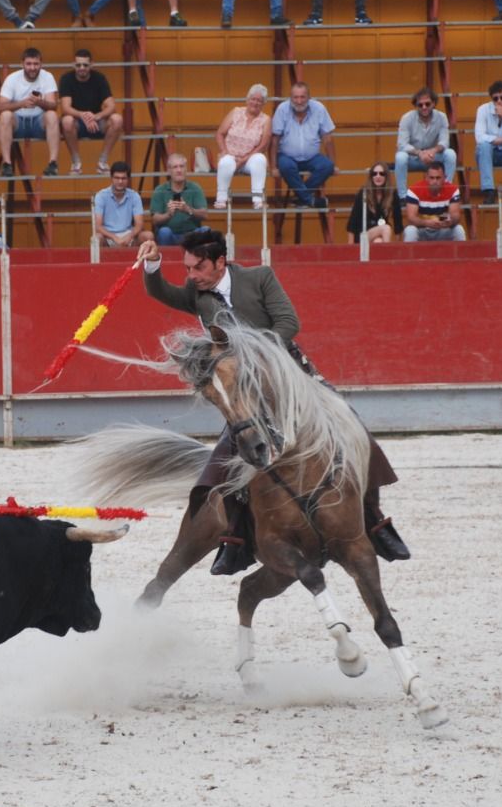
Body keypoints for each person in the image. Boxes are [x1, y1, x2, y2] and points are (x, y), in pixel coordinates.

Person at [135, 228, 410, 571]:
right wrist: (152, 264)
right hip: (245, 393)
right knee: (223, 463)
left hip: (290, 377)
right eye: (188, 268)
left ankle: (375, 522)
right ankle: (234, 538)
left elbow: (288, 323)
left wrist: (255, 357)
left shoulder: (259, 277)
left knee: (354, 431)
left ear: (220, 262)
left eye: (197, 268)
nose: (191, 276)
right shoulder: (197, 292)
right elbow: (162, 292)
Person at [0, 46, 61, 178]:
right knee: (5, 115)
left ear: (41, 64)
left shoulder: (47, 76)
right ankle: (7, 164)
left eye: (36, 64)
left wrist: (39, 102)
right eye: (29, 64)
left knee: (52, 115)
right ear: (22, 64)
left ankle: (53, 163)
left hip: (38, 121)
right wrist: (22, 103)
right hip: (18, 122)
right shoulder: (12, 78)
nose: (32, 67)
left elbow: (54, 106)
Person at [271, 81, 335, 209]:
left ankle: (302, 198)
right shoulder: (282, 109)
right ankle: (309, 200)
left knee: (327, 166)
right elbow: (274, 139)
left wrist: (334, 164)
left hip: (312, 157)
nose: (299, 101)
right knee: (285, 166)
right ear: (290, 98)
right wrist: (273, 167)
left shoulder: (319, 108)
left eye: (302, 97)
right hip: (287, 156)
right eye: (295, 97)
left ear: (309, 97)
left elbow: (327, 138)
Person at [58, 49, 123, 175]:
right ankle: (76, 163)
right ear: (73, 65)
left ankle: (102, 163)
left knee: (117, 119)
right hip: (77, 122)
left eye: (85, 65)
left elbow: (111, 106)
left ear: (91, 65)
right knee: (66, 120)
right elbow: (65, 108)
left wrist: (97, 116)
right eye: (78, 65)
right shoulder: (66, 78)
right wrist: (84, 116)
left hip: (97, 121)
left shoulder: (99, 78)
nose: (82, 68)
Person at [214, 84, 272, 209]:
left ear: (263, 104)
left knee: (260, 159)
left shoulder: (266, 119)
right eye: (253, 99)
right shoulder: (236, 112)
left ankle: (258, 200)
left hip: (249, 159)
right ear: (247, 100)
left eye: (259, 101)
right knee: (225, 162)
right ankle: (221, 199)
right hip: (231, 155)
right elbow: (220, 133)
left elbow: (263, 145)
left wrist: (244, 160)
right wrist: (224, 151)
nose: (255, 103)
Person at [393, 88, 456, 197]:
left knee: (450, 154)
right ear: (416, 105)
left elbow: (444, 142)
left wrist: (433, 151)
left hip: (433, 157)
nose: (424, 107)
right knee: (400, 157)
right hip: (413, 158)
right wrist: (420, 153)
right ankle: (402, 197)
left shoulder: (442, 117)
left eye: (427, 104)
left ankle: (445, 191)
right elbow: (402, 144)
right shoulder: (407, 118)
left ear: (434, 103)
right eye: (420, 105)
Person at [150, 153, 209, 246]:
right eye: (175, 167)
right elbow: (155, 220)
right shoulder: (160, 190)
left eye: (182, 166)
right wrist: (168, 214)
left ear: (186, 169)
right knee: (164, 232)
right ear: (169, 171)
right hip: (170, 235)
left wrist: (188, 209)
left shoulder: (195, 188)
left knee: (205, 230)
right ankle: (167, 260)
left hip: (192, 235)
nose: (179, 170)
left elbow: (205, 215)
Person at [402, 163, 466, 241]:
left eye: (438, 178)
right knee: (410, 231)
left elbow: (455, 216)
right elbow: (411, 218)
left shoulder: (453, 190)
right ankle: (409, 253)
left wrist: (449, 221)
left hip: (443, 228)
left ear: (444, 178)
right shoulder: (414, 190)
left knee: (459, 230)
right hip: (422, 229)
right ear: (426, 178)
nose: (435, 181)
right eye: (431, 178)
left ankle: (462, 253)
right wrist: (427, 223)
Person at [93, 162, 149, 249]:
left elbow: (139, 224)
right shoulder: (101, 195)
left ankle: (144, 263)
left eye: (123, 178)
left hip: (129, 236)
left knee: (148, 236)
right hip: (108, 237)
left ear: (128, 179)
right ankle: (100, 263)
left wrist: (129, 236)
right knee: (97, 238)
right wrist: (114, 237)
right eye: (117, 178)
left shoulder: (134, 196)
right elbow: (98, 226)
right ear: (111, 178)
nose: (120, 181)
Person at [347, 163, 402, 245]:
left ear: (386, 176)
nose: (378, 176)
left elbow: (398, 221)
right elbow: (353, 220)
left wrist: (398, 244)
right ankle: (390, 253)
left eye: (382, 174)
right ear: (371, 177)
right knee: (386, 228)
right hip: (363, 233)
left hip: (380, 234)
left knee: (378, 242)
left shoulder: (392, 193)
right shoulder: (364, 192)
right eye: (374, 174)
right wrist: (350, 245)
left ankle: (385, 255)